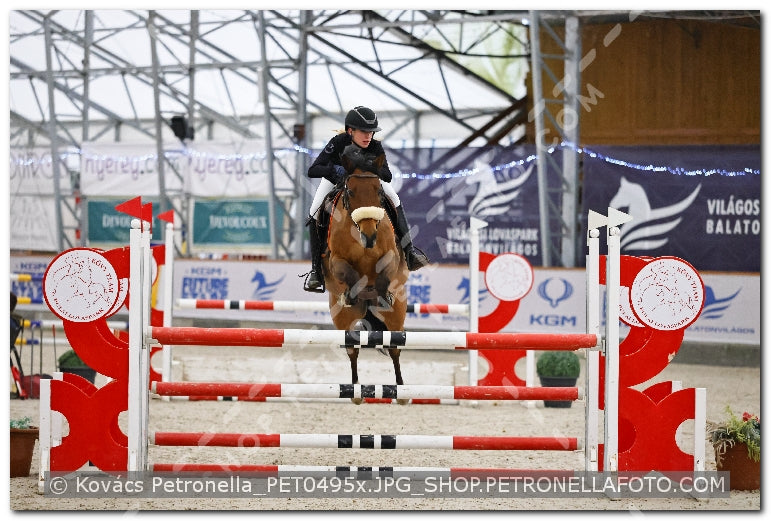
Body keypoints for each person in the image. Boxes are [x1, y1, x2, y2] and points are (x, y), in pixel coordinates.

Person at [304, 105, 429, 292]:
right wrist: (336, 170)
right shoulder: (338, 142)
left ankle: (409, 251)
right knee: (314, 211)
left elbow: (387, 175)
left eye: (371, 132)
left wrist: (367, 168)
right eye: (364, 131)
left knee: (394, 198)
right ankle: (315, 271)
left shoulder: (375, 146)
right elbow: (313, 169)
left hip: (366, 183)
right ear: (350, 131)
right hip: (337, 181)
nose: (368, 136)